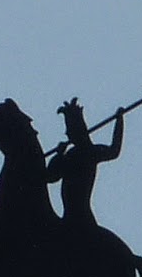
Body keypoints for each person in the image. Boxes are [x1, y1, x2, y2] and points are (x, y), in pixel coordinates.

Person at [45, 97, 124, 227]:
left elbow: (114, 151)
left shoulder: (89, 152)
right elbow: (50, 176)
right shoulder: (72, 154)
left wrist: (119, 121)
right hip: (68, 214)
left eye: (70, 130)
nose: (67, 133)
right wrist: (59, 155)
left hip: (80, 215)